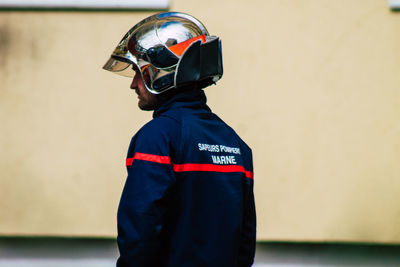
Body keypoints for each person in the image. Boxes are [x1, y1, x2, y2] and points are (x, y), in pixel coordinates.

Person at [103, 12, 256, 267]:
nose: (133, 85)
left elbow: (139, 234)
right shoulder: (236, 144)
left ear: (161, 73)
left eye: (138, 72)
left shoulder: (157, 137)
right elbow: (245, 243)